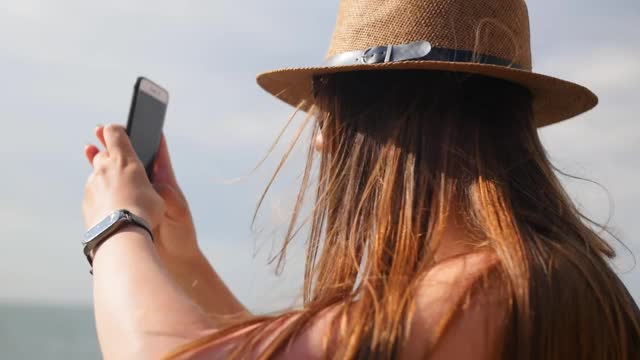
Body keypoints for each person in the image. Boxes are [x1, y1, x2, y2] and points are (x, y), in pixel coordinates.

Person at [81, 0, 640, 359]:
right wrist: (181, 253)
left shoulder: (482, 294)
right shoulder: (561, 284)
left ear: (392, 119)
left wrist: (117, 225)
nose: (320, 140)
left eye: (330, 111)